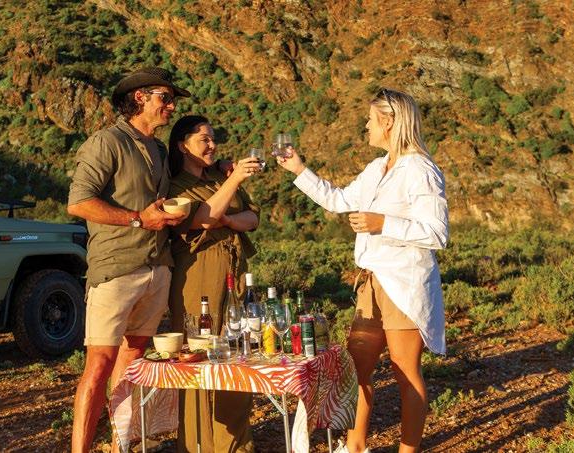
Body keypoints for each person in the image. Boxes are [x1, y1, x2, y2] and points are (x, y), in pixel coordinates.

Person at [277, 88, 449, 453]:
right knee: (356, 369)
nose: (365, 126)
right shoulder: (375, 168)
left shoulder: (421, 170)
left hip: (404, 283)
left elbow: (437, 233)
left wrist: (382, 223)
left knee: (405, 370)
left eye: (370, 119)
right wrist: (299, 170)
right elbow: (338, 200)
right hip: (370, 282)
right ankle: (355, 447)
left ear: (389, 122)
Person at [66, 67, 190, 453]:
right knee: (99, 364)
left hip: (157, 266)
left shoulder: (158, 150)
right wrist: (139, 219)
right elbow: (79, 202)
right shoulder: (107, 142)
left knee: (133, 358)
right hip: (116, 268)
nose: (171, 106)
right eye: (165, 98)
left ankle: (120, 443)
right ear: (140, 97)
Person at [167, 115, 261, 453]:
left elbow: (252, 217)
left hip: (234, 275)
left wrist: (228, 220)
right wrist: (233, 179)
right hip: (198, 276)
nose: (212, 145)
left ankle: (234, 445)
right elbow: (201, 219)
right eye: (204, 139)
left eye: (213, 138)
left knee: (236, 352)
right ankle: (198, 445)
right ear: (183, 146)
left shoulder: (218, 178)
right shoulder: (175, 186)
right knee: (198, 356)